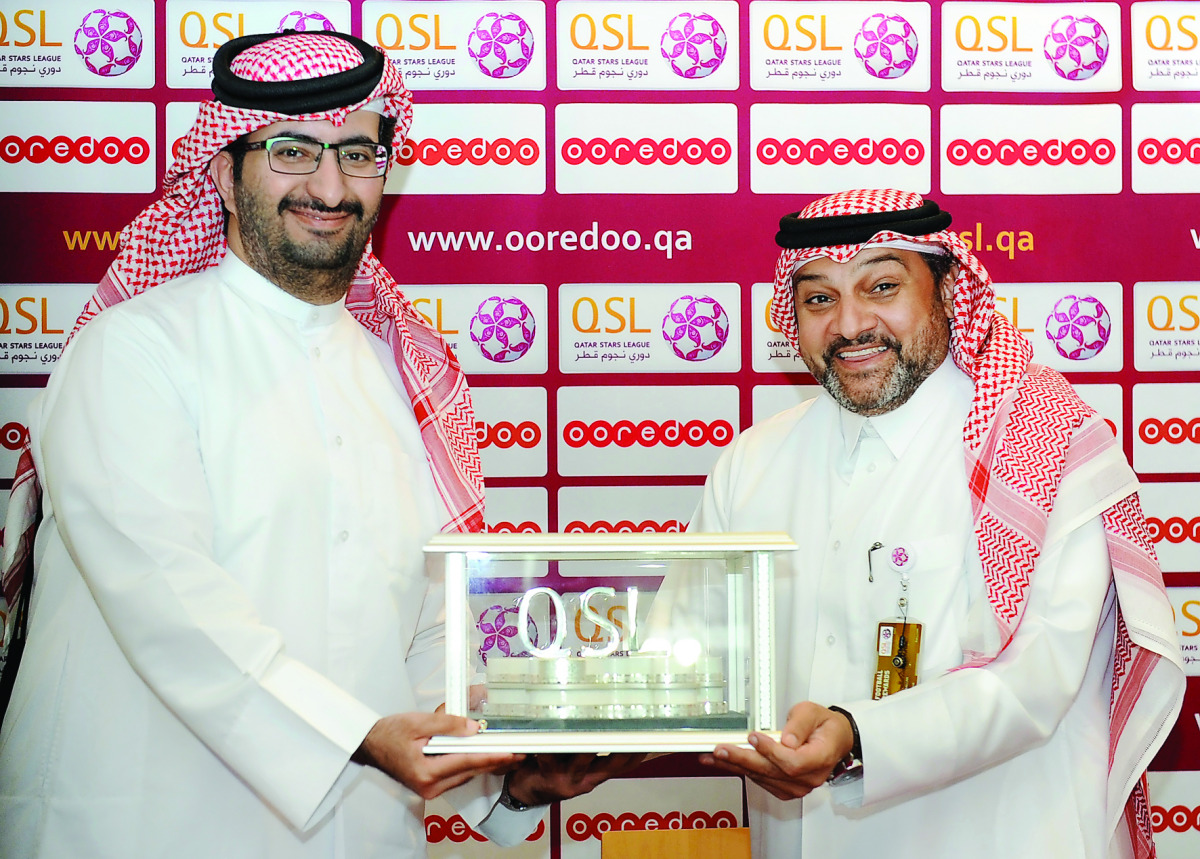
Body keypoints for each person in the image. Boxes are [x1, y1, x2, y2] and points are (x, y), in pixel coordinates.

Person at [0, 30, 623, 859]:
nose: (331, 187)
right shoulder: (131, 349)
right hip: (143, 827)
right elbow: (169, 600)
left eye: (359, 154)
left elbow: (426, 630)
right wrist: (362, 734)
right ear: (223, 169)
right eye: (293, 151)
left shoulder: (406, 373)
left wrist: (504, 779)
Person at [685, 189, 1184, 858]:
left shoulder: (1040, 440)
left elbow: (1035, 679)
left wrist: (858, 736)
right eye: (819, 298)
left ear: (947, 290)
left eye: (882, 285)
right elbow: (690, 655)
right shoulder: (752, 462)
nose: (850, 324)